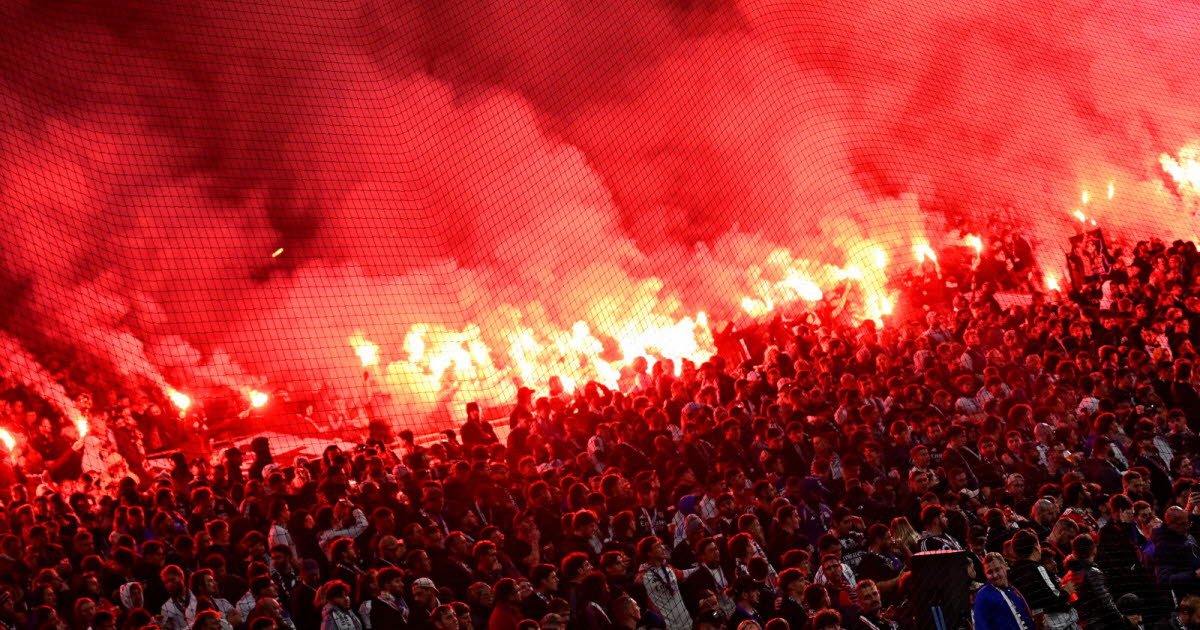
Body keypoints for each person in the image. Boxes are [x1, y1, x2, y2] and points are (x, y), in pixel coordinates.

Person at [972, 553, 1035, 630]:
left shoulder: (1013, 589)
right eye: (990, 572)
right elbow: (981, 626)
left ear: (1006, 566)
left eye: (997, 569)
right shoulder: (983, 595)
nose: (995, 575)